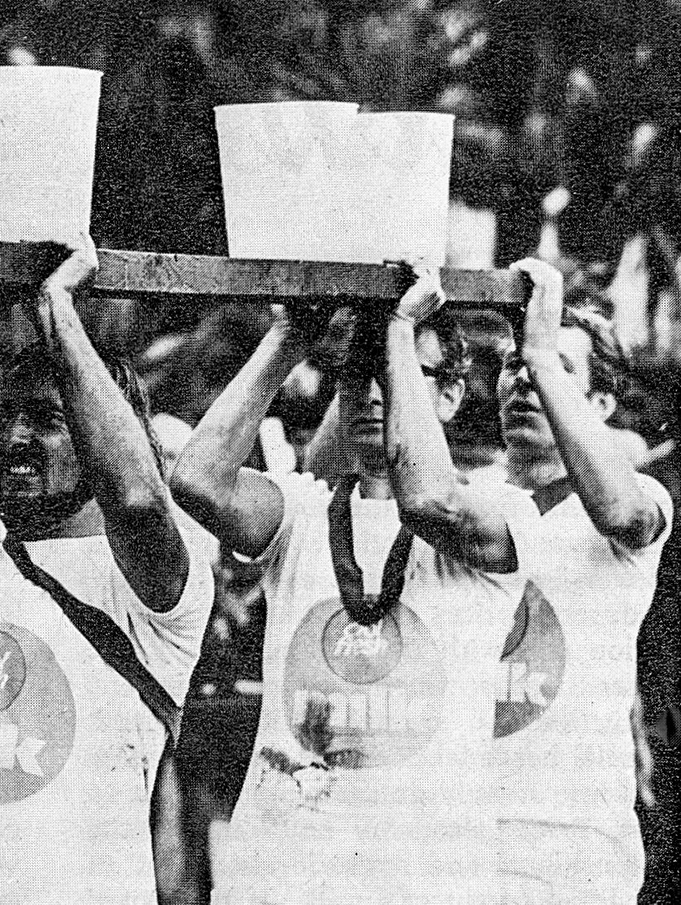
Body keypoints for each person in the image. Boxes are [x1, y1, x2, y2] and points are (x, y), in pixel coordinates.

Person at [169, 272, 537, 904]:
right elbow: (197, 480)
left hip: (422, 875)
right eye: (354, 376)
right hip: (285, 868)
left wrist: (395, 326)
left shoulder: (505, 509)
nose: (369, 392)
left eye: (392, 374)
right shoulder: (302, 510)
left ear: (449, 396)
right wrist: (290, 335)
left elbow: (427, 502)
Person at [0, 240, 212, 904]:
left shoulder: (149, 589)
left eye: (49, 420)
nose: (16, 439)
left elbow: (138, 498)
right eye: (6, 418)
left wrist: (57, 308)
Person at [492, 259, 673, 905]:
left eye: (551, 369)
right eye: (511, 365)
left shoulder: (642, 493)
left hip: (572, 845)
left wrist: (541, 354)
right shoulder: (467, 499)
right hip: (455, 829)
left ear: (597, 403)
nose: (523, 380)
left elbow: (622, 514)